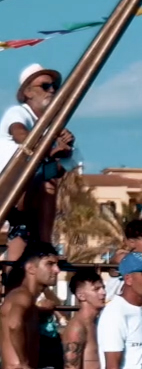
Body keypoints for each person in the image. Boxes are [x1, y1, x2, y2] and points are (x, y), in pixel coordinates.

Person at [1, 64, 78, 262]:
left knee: (49, 179)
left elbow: (60, 169)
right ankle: (43, 242)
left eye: (54, 86)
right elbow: (21, 135)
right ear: (27, 92)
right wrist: (51, 150)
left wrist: (64, 152)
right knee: (46, 182)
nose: (52, 90)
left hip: (25, 195)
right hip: (7, 187)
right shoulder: (19, 113)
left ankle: (40, 242)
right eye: (45, 86)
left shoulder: (53, 127)